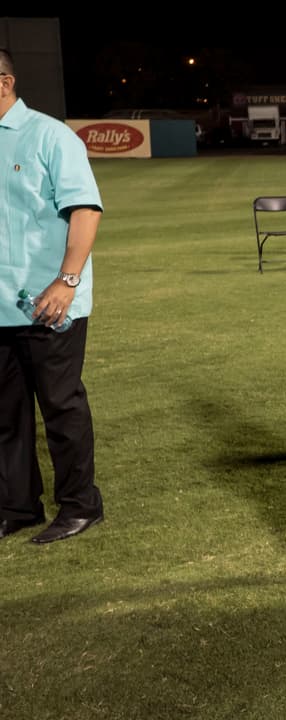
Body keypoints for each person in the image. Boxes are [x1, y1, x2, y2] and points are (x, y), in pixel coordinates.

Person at [0, 48, 105, 544]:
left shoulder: (50, 135)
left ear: (4, 83)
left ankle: (81, 505)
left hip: (48, 301)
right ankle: (18, 506)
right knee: (6, 415)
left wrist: (67, 281)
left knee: (60, 407)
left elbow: (85, 210)